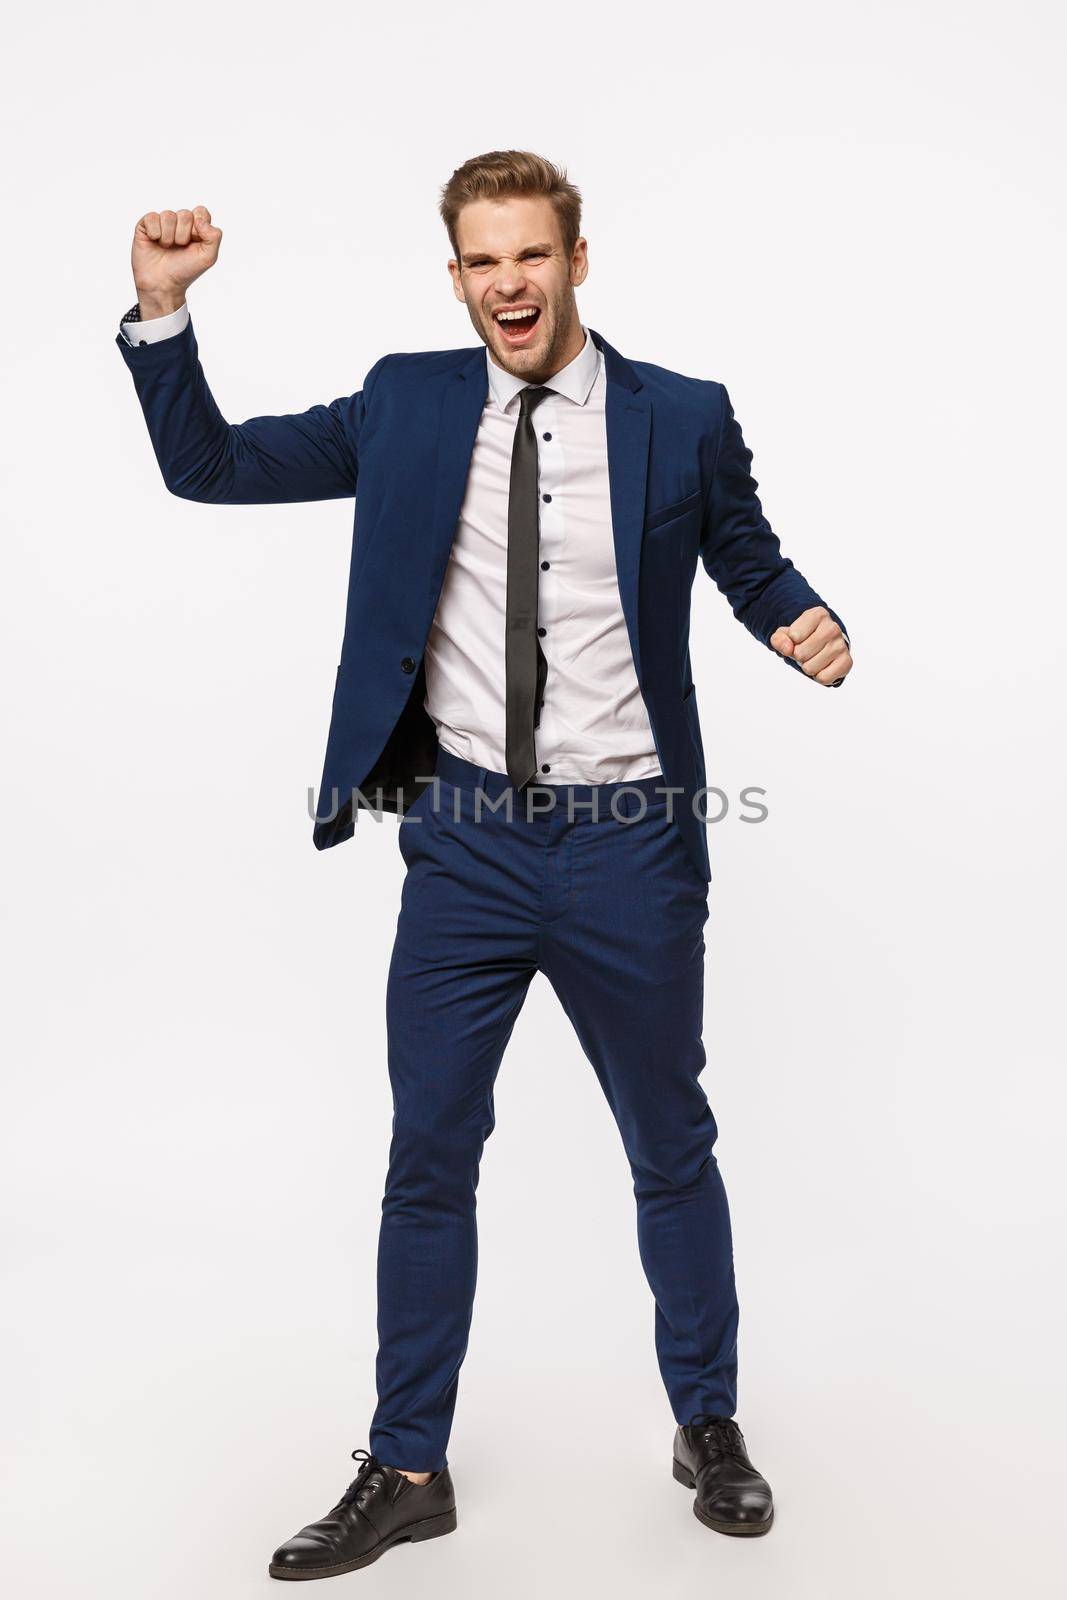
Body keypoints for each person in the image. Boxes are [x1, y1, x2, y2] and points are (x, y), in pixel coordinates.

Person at [116, 149, 852, 1579]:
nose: (506, 284)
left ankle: (710, 1426)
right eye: (478, 260)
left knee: (669, 1148)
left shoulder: (678, 419)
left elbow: (747, 559)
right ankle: (407, 1463)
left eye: (529, 256)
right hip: (461, 846)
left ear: (578, 260)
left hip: (629, 842)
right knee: (429, 1157)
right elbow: (210, 467)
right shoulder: (408, 402)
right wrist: (159, 313)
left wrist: (797, 616)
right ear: (454, 274)